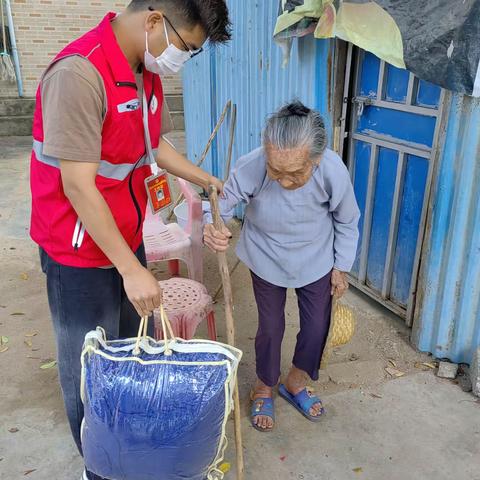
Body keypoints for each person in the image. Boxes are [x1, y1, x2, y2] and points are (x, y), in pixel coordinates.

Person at [29, 1, 231, 479]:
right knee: (90, 367)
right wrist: (130, 268)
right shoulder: (79, 75)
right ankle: (96, 467)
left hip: (122, 242)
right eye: (186, 48)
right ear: (155, 20)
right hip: (78, 254)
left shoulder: (145, 71)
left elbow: (151, 143)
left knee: (129, 354)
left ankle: (127, 452)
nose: (182, 60)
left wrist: (203, 178)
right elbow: (78, 184)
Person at [204, 101, 360, 432]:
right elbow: (222, 202)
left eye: (295, 173)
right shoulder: (253, 164)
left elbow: (347, 222)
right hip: (266, 256)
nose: (284, 182)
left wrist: (341, 266)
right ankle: (264, 384)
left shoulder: (332, 171)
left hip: (316, 258)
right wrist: (213, 225)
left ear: (315, 160)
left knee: (317, 327)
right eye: (276, 172)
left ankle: (296, 382)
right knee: (271, 327)